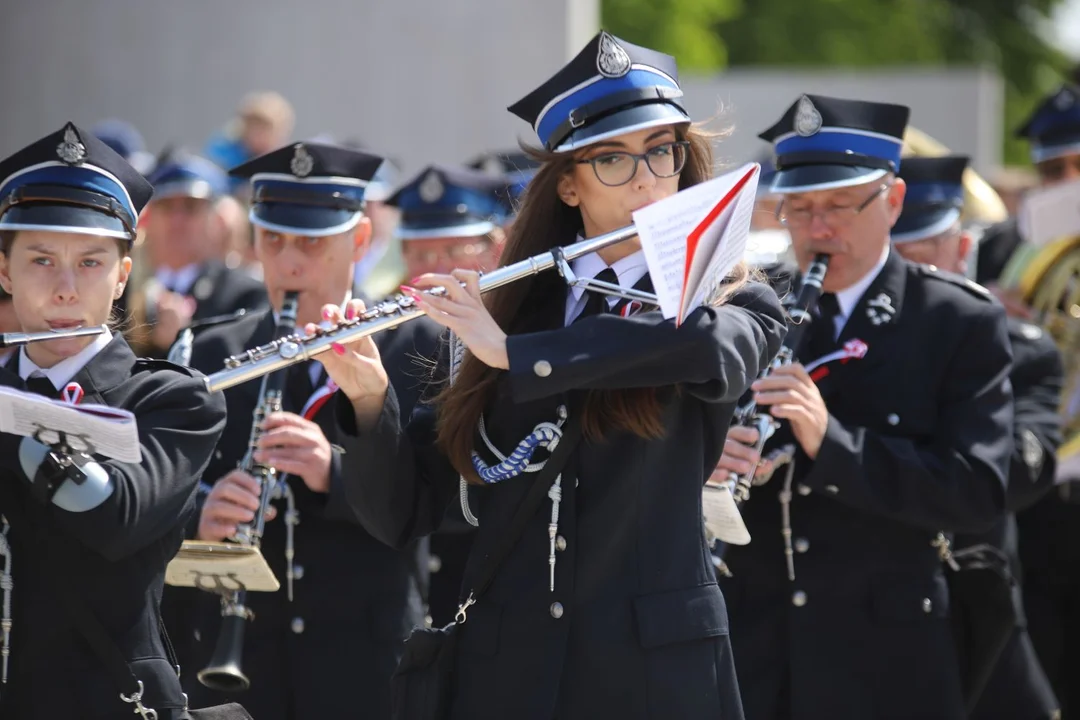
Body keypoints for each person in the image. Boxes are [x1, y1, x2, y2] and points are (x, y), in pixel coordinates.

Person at [320, 30, 786, 720]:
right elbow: (409, 511)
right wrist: (367, 400)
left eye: (662, 151)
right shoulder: (509, 309)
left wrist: (521, 355)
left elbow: (711, 353)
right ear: (568, 184)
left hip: (657, 678)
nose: (648, 178)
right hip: (513, 674)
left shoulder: (730, 296)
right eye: (613, 161)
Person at [715, 94, 1014, 719]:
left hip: (888, 663)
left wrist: (833, 442)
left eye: (840, 206)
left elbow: (978, 494)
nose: (818, 229)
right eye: (799, 209)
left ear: (894, 202)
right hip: (756, 656)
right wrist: (710, 461)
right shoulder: (743, 315)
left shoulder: (956, 320)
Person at [168, 141, 425, 720]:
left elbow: (438, 508)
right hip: (234, 678)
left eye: (311, 243)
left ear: (359, 241)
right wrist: (201, 515)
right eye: (274, 240)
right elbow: (157, 492)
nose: (288, 264)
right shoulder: (210, 350)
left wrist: (334, 471)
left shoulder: (416, 346)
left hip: (363, 671)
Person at [0, 122, 228, 719]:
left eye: (91, 262)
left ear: (123, 274)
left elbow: (115, 515)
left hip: (107, 699)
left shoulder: (171, 400)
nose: (66, 288)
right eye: (41, 260)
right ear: (4, 271)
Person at [891, 154, 1063, 720]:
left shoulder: (1022, 349)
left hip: (977, 612)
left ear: (963, 250)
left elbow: (1011, 476)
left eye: (925, 254)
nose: (910, 274)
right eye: (895, 257)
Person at [383, 163, 516, 628]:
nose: (433, 268)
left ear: (494, 247)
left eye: (451, 249)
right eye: (418, 253)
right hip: (411, 581)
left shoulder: (518, 335)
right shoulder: (386, 339)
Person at [127, 152, 268, 357]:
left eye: (190, 207)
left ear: (217, 220)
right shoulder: (120, 291)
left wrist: (186, 340)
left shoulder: (244, 295)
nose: (177, 221)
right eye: (166, 207)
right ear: (149, 219)